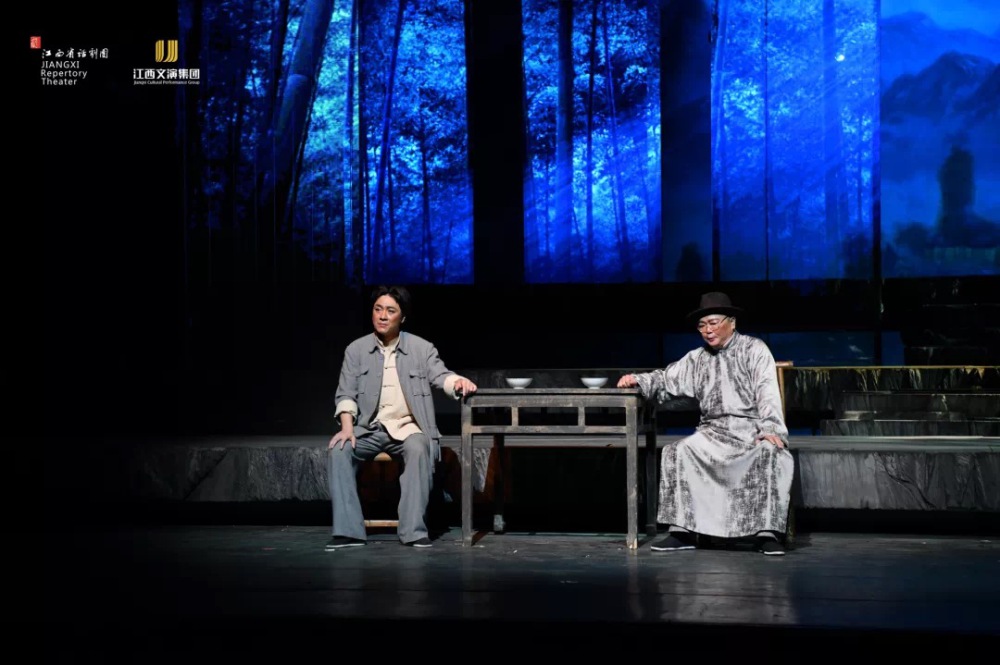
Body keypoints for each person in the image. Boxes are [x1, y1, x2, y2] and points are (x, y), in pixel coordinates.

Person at [617, 292, 793, 556]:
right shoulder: (697, 357)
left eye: (713, 323)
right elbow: (666, 378)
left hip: (749, 431)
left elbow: (767, 391)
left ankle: (766, 533)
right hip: (713, 432)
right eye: (702, 325)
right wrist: (638, 380)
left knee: (770, 452)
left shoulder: (754, 349)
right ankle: (682, 532)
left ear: (731, 322)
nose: (707, 330)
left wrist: (770, 429)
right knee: (678, 451)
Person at [326, 285, 477, 549]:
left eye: (390, 311)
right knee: (339, 449)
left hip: (407, 428)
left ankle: (413, 531)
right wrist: (347, 428)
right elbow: (346, 393)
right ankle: (349, 531)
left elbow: (440, 375)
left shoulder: (421, 348)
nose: (382, 316)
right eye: (378, 309)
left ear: (402, 317)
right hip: (369, 429)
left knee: (418, 447)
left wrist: (457, 382)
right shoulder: (356, 350)